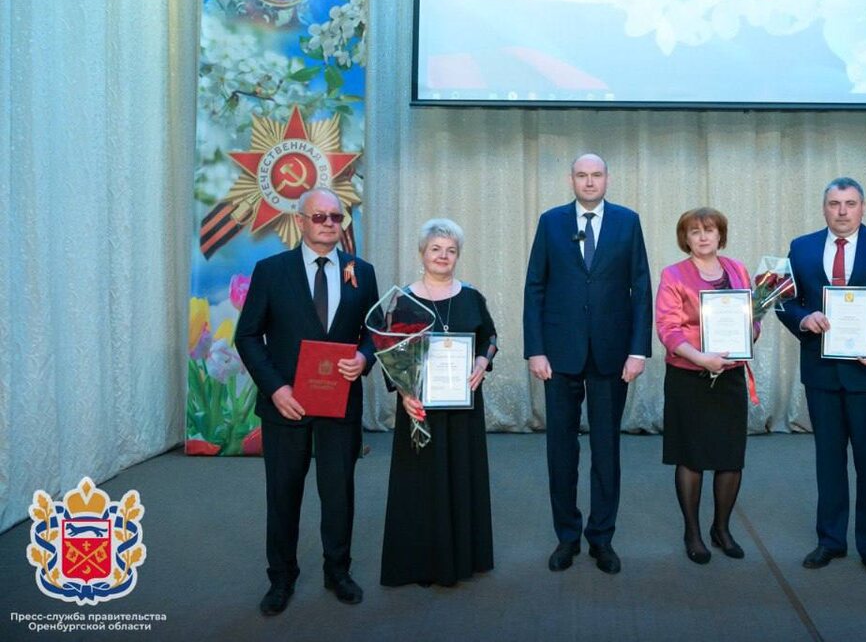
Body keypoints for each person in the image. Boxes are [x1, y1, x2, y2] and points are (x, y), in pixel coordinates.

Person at [234, 187, 380, 615]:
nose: (329, 224)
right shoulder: (270, 271)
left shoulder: (361, 271)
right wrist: (276, 389)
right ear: (300, 221)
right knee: (283, 494)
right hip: (286, 405)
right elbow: (247, 336)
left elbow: (374, 332)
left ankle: (338, 571)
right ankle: (281, 578)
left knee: (339, 493)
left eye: (336, 217)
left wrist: (364, 357)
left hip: (340, 403)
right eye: (320, 217)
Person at [776, 177, 866, 584]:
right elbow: (782, 299)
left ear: (863, 207)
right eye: (834, 204)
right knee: (828, 461)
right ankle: (830, 541)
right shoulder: (802, 247)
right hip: (822, 374)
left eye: (850, 203)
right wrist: (802, 318)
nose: (842, 211)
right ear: (824, 207)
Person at [523, 153, 652, 575]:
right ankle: (566, 537)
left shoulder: (628, 222)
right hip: (559, 354)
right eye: (582, 175)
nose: (590, 181)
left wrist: (638, 350)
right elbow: (535, 286)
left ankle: (602, 538)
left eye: (596, 175)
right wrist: (535, 349)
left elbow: (641, 287)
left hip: (612, 354)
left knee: (606, 449)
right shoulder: (551, 222)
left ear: (607, 178)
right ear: (571, 180)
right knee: (561, 450)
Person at [381, 219, 497, 587]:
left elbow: (490, 338)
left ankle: (463, 559)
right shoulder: (402, 301)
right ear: (422, 253)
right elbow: (389, 353)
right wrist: (404, 393)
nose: (443, 256)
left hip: (464, 410)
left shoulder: (472, 297)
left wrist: (482, 362)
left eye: (450, 250)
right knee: (420, 482)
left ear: (458, 255)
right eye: (436, 249)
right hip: (420, 408)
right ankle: (421, 564)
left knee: (462, 476)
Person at [655, 208, 758, 564]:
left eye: (709, 230)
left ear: (720, 235)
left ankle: (721, 529)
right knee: (692, 456)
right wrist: (701, 358)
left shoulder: (737, 269)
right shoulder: (673, 275)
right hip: (689, 376)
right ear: (685, 238)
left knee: (730, 456)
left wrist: (749, 332)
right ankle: (693, 532)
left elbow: (752, 317)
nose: (702, 237)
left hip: (730, 376)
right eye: (694, 231)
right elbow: (667, 329)